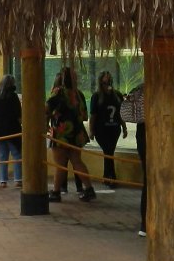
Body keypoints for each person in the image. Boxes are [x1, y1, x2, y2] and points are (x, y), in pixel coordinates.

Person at [134, 63, 174, 237]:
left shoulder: (149, 84)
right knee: (163, 178)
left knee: (150, 180)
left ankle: (146, 223)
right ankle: (160, 221)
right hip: (160, 139)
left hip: (143, 137)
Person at [48, 67, 94, 201]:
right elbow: (85, 116)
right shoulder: (78, 94)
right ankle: (89, 189)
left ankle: (56, 192)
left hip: (61, 132)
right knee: (77, 161)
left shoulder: (58, 93)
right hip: (77, 133)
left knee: (60, 164)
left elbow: (47, 108)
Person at [89, 71, 127, 190]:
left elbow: (121, 114)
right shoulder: (96, 96)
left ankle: (108, 177)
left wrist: (124, 127)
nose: (108, 82)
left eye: (109, 79)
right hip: (101, 130)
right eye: (105, 80)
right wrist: (91, 130)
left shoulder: (117, 95)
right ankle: (110, 177)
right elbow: (93, 115)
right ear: (101, 81)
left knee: (109, 152)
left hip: (114, 129)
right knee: (108, 151)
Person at [0, 73, 23, 187]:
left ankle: (3, 180)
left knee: (3, 156)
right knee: (17, 154)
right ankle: (18, 179)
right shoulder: (13, 97)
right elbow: (18, 114)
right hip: (12, 129)